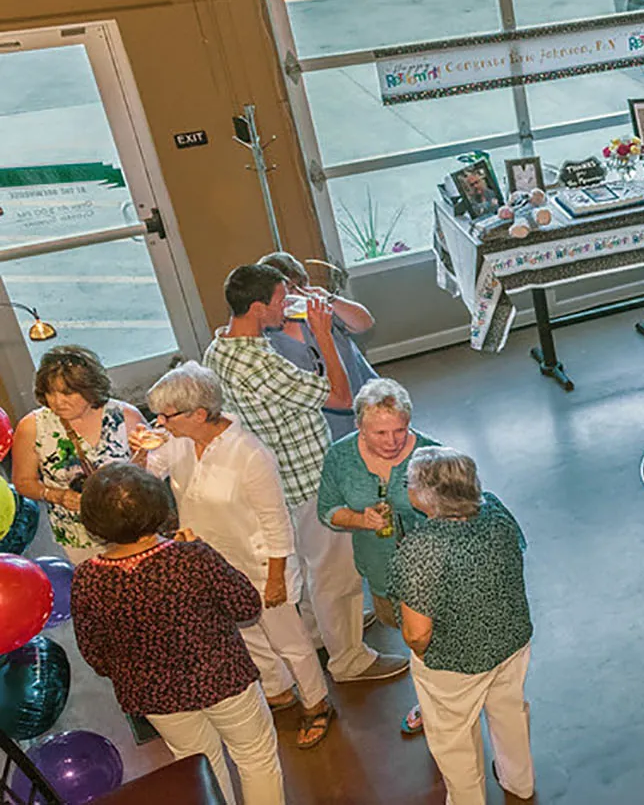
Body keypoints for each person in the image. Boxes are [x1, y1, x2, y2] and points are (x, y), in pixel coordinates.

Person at [205, 263, 406, 684]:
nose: (286, 306)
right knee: (337, 574)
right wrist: (325, 334)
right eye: (280, 300)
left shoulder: (219, 347)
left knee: (315, 568)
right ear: (259, 308)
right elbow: (339, 395)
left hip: (279, 478)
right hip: (307, 479)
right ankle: (350, 659)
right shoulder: (260, 363)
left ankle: (320, 633)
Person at [134, 362, 337, 750]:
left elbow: (276, 521)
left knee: (289, 641)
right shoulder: (176, 440)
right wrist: (139, 453)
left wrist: (276, 577)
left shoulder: (249, 454)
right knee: (248, 638)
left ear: (198, 414)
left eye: (166, 415)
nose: (159, 422)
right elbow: (144, 479)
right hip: (213, 564)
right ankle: (277, 691)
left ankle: (317, 702)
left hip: (260, 565)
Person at [71, 464, 286, 805]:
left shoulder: (86, 579)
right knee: (255, 757)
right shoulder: (191, 558)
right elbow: (246, 606)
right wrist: (203, 551)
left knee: (199, 767)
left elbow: (95, 655)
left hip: (155, 696)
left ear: (94, 521)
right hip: (223, 678)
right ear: (157, 505)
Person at [394, 447, 535, 805]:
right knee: (509, 712)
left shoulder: (422, 548)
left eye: (409, 480)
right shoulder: (495, 509)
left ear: (427, 496)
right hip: (511, 639)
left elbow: (416, 633)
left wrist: (425, 656)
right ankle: (519, 781)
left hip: (455, 662)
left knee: (454, 738)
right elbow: (519, 548)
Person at [317, 378, 439, 734]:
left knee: (431, 641)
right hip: (381, 571)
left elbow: (457, 514)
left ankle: (435, 703)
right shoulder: (340, 457)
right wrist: (358, 519)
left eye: (399, 431)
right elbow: (327, 509)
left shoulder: (431, 456)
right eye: (379, 433)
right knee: (406, 634)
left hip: (430, 574)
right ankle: (435, 697)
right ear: (358, 426)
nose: (391, 442)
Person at [12, 346, 147, 565]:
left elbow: (154, 474)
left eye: (67, 393)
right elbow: (23, 481)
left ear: (90, 388)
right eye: (50, 392)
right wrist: (58, 496)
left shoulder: (125, 416)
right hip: (78, 534)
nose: (57, 401)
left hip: (133, 527)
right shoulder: (32, 427)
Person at [258, 252, 379, 438]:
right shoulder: (269, 335)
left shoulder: (322, 310)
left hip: (368, 400)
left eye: (300, 286)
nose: (294, 296)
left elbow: (364, 323)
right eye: (286, 291)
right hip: (327, 422)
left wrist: (329, 299)